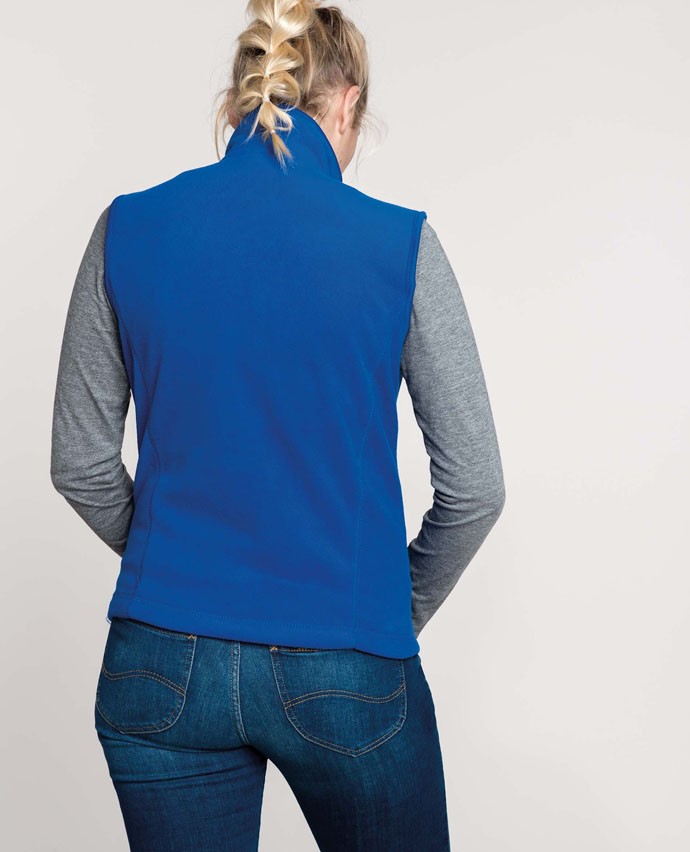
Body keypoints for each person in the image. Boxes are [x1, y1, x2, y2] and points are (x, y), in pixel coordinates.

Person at [50, 1, 506, 849]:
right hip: (347, 653)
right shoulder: (401, 246)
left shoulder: (126, 229)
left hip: (161, 663)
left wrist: (183, 562)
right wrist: (387, 609)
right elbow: (476, 488)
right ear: (348, 103)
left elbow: (79, 464)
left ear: (237, 101)